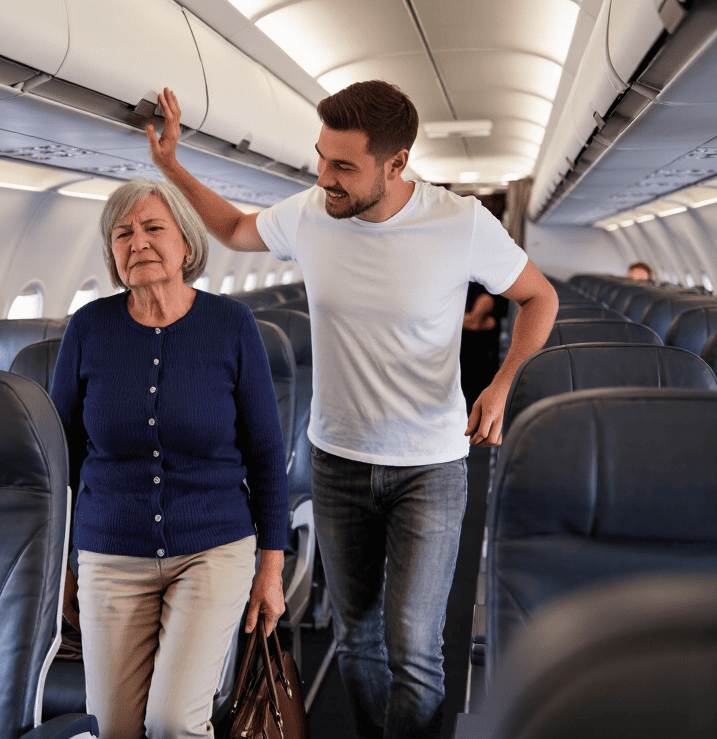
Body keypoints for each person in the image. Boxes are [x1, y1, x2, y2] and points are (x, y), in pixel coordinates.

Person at [146, 81, 558, 738]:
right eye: (320, 157)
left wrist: (504, 382)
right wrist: (171, 164)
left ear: (396, 164)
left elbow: (540, 297)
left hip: (430, 465)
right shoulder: (311, 214)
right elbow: (233, 229)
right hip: (336, 461)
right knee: (357, 639)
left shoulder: (460, 224)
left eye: (343, 166)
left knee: (413, 646)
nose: (323, 177)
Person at [50, 179, 289, 739]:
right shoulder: (88, 327)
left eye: (153, 228)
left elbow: (265, 452)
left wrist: (272, 569)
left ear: (186, 242)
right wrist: (61, 567)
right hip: (111, 551)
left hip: (212, 547)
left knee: (174, 722)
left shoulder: (231, 324)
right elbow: (60, 457)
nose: (137, 242)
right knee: (112, 728)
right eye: (122, 234)